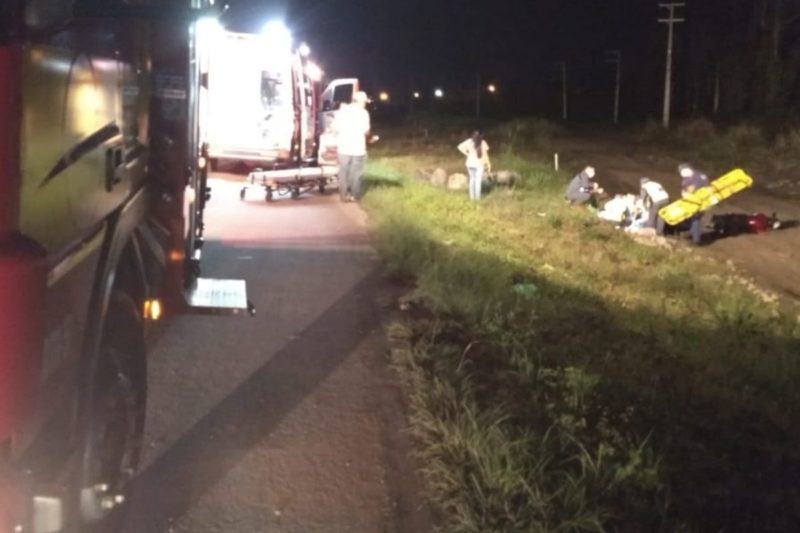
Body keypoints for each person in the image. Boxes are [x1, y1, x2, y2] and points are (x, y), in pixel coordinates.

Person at [333, 91, 371, 202]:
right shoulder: (364, 113)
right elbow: (366, 130)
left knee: (343, 172)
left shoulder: (342, 111)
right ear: (360, 101)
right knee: (356, 172)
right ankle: (355, 195)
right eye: (364, 102)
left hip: (343, 147)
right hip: (358, 148)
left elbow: (335, 128)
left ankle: (344, 195)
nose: (365, 104)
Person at [678, 163, 709, 245]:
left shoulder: (699, 176)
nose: (682, 174)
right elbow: (684, 190)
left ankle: (696, 240)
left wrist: (689, 194)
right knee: (692, 219)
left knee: (695, 219)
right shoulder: (686, 180)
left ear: (688, 169)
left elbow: (704, 188)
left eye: (682, 172)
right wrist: (684, 194)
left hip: (701, 202)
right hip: (691, 202)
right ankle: (693, 236)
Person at [457, 131, 491, 201]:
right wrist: (488, 164)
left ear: (473, 136)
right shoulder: (483, 142)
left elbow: (459, 147)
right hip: (479, 164)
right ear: (481, 136)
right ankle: (477, 198)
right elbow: (485, 155)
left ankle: (472, 198)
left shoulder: (469, 141)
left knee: (472, 180)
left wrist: (467, 154)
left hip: (470, 164)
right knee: (478, 181)